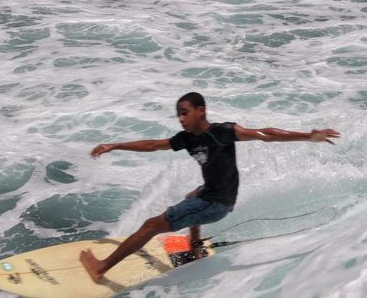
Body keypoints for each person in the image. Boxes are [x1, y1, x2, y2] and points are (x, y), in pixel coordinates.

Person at [80, 92, 340, 282]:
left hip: (216, 204)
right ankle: (194, 246)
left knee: (150, 225)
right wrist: (115, 145)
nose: (181, 118)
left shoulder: (223, 132)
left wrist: (307, 136)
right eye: (178, 114)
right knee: (192, 194)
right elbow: (153, 145)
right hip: (214, 198)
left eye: (185, 112)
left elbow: (264, 134)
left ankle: (101, 268)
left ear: (200, 110)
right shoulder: (186, 139)